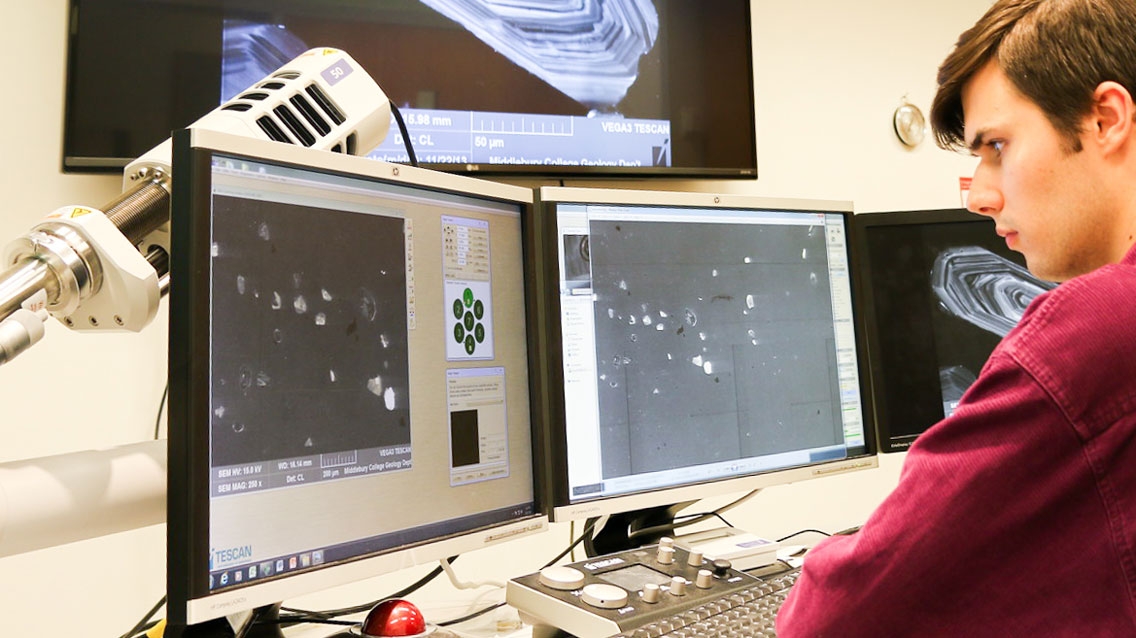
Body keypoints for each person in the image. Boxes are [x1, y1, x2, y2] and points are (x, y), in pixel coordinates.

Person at [776, 0, 1136, 635]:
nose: (984, 194)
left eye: (997, 146)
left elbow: (834, 619)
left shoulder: (1092, 329)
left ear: (1106, 119)